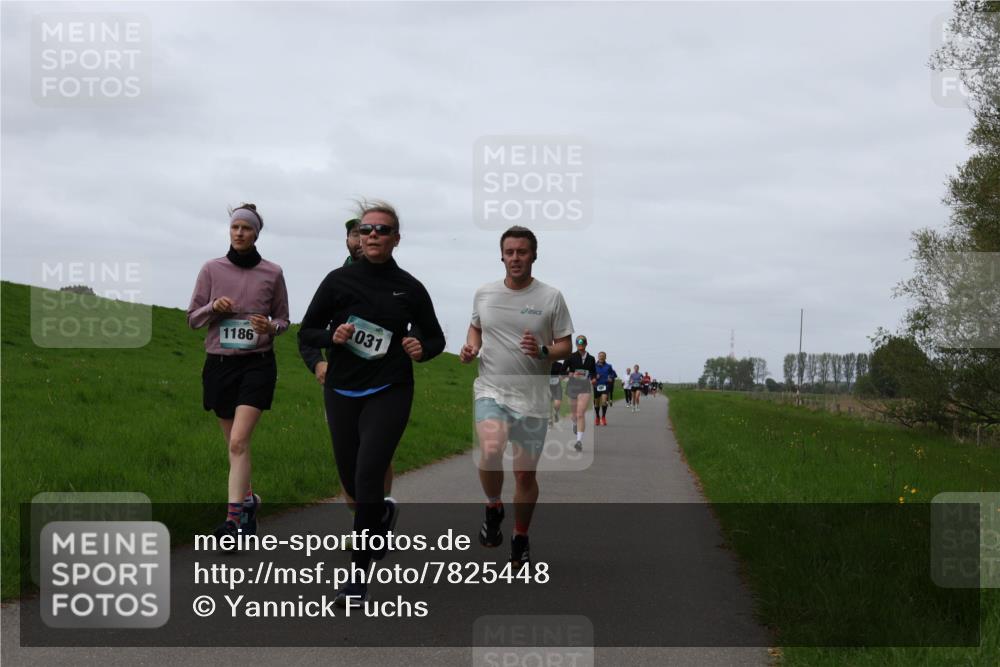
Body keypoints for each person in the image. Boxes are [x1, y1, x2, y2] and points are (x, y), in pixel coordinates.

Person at [299, 200, 445, 605]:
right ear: (358, 238)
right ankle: (378, 516)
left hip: (390, 388)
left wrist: (421, 348)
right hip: (342, 389)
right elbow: (307, 331)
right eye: (367, 230)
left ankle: (357, 576)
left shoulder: (410, 288)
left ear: (396, 239)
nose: (374, 235)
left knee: (367, 474)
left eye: (382, 230)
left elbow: (435, 338)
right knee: (349, 480)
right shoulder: (336, 282)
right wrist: (332, 339)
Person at [460, 225, 573, 571]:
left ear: (533, 256)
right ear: (501, 256)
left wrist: (542, 351)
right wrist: (471, 347)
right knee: (491, 448)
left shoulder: (551, 297)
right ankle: (493, 505)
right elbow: (476, 326)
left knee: (525, 475)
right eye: (509, 252)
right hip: (491, 387)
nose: (515, 258)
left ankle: (520, 537)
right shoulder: (484, 293)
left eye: (521, 252)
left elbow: (565, 346)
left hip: (533, 396)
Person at [187, 203, 290, 544]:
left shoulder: (272, 273)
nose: (240, 233)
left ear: (256, 233)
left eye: (246, 228)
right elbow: (192, 319)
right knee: (234, 447)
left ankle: (231, 523)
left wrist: (270, 326)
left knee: (238, 441)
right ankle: (248, 502)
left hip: (258, 363)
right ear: (229, 232)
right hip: (219, 364)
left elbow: (284, 320)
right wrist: (212, 307)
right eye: (235, 228)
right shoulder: (211, 269)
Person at [299, 218, 393, 517]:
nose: (363, 238)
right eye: (357, 233)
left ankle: (374, 513)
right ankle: (362, 518)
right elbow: (308, 331)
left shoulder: (395, 282)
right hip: (341, 382)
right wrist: (318, 363)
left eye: (373, 232)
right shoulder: (335, 281)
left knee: (375, 453)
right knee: (348, 453)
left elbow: (416, 327)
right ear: (350, 241)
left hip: (381, 383)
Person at [563, 336, 596, 449]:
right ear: (576, 344)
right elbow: (562, 371)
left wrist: (594, 379)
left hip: (585, 387)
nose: (580, 344)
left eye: (582, 342)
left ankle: (578, 441)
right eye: (578, 342)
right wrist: (571, 374)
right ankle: (574, 423)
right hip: (572, 387)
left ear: (586, 343)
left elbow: (594, 373)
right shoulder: (570, 357)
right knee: (574, 415)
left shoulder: (591, 359)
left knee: (580, 414)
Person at [592, 351, 616, 426]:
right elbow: (589, 374)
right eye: (600, 356)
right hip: (596, 386)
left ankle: (603, 417)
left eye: (603, 356)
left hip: (605, 386)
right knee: (596, 403)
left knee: (604, 401)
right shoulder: (593, 366)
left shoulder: (609, 366)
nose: (601, 357)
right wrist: (594, 377)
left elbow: (614, 374)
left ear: (605, 357)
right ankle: (597, 416)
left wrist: (611, 378)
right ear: (598, 357)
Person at [549, 360, 564, 425]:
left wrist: (561, 376)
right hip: (547, 386)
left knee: (557, 402)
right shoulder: (545, 363)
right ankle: (549, 419)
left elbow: (563, 374)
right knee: (548, 403)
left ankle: (555, 413)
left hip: (557, 385)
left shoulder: (559, 365)